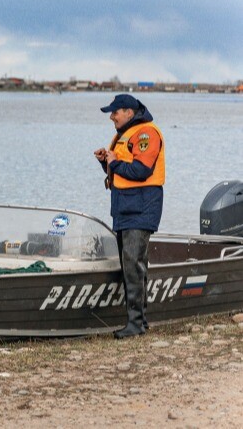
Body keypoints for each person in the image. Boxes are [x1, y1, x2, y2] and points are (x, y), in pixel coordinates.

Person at [94, 94, 165, 339]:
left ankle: (135, 324)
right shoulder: (124, 134)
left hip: (141, 208)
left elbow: (141, 170)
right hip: (125, 209)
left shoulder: (146, 134)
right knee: (132, 265)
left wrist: (114, 163)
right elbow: (123, 170)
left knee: (134, 266)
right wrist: (107, 163)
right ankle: (139, 322)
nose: (111, 117)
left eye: (115, 112)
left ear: (129, 112)